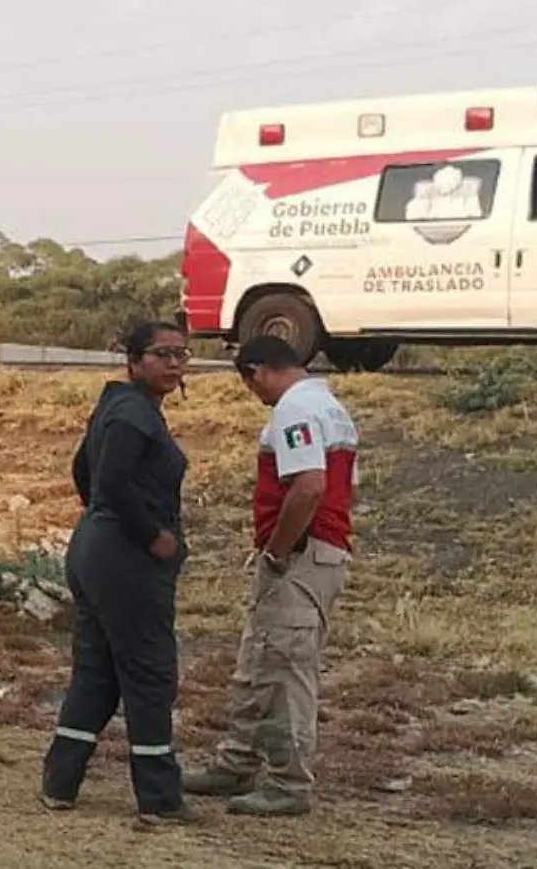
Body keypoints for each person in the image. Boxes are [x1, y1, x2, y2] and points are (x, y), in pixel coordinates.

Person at [184, 334, 357, 817]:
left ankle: (287, 782)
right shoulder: (330, 407)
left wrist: (278, 551)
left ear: (257, 372)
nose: (254, 395)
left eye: (250, 384)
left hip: (299, 556)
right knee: (259, 660)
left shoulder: (293, 411)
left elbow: (308, 487)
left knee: (283, 670)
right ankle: (237, 761)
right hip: (320, 553)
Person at [41, 320, 193, 826]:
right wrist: (153, 534)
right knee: (149, 673)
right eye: (161, 354)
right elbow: (109, 478)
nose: (173, 364)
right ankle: (159, 798)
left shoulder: (116, 406)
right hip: (126, 557)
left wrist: (101, 519)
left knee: (97, 670)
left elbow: (81, 469)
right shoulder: (133, 414)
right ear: (133, 361)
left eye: (181, 354)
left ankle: (60, 782)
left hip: (94, 547)